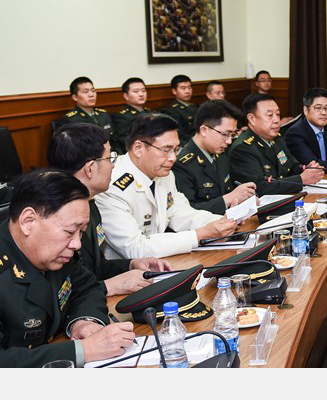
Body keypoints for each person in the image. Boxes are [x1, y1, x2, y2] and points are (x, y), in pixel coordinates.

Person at [0, 169, 135, 368]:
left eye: (81, 232)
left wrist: (83, 321)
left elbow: (88, 287)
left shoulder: (54, 254)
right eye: (70, 232)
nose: (77, 244)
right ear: (28, 221)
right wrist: (85, 350)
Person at [47, 123, 173, 296]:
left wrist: (132, 264)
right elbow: (59, 293)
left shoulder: (90, 203)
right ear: (90, 169)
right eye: (109, 158)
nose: (113, 165)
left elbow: (96, 267)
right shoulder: (53, 217)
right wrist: (109, 286)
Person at [94, 113, 237, 259]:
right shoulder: (112, 186)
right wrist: (198, 236)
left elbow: (179, 212)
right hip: (128, 269)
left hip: (161, 260)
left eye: (176, 149)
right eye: (166, 150)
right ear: (138, 148)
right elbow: (135, 248)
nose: (173, 158)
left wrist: (220, 222)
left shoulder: (164, 174)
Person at [229, 93, 324, 196]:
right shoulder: (243, 148)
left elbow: (291, 167)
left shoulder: (277, 139)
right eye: (270, 115)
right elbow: (259, 187)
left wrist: (307, 169)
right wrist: (301, 180)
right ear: (252, 119)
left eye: (278, 114)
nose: (276, 120)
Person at [172, 100, 257, 214]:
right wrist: (229, 198)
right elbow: (187, 212)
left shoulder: (220, 155)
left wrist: (244, 199)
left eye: (232, 134)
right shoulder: (182, 164)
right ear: (204, 130)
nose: (229, 141)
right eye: (225, 134)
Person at [110, 77, 148, 153]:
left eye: (143, 91)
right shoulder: (121, 117)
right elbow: (125, 142)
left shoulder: (150, 112)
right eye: (136, 91)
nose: (141, 94)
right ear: (126, 96)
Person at [161, 74, 197, 146]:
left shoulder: (193, 106)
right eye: (183, 88)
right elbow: (180, 135)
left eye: (189, 88)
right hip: (188, 144)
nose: (187, 91)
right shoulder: (172, 111)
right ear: (174, 91)